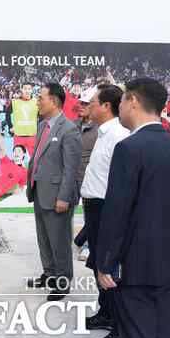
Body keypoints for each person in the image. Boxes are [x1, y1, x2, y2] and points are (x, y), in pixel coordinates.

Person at [95, 77, 170, 338]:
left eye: (123, 99)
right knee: (163, 334)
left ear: (134, 102)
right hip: (166, 260)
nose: (120, 106)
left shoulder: (129, 148)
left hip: (135, 264)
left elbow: (117, 212)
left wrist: (105, 262)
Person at [79, 84, 129, 338]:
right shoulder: (103, 132)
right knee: (99, 263)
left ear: (106, 106)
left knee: (110, 269)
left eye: (93, 102)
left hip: (107, 209)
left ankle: (120, 327)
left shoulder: (119, 135)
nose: (89, 107)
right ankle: (106, 312)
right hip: (95, 208)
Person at [25, 82, 82, 301]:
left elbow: (71, 168)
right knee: (44, 238)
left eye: (41, 98)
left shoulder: (69, 130)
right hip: (40, 191)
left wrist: (64, 197)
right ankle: (49, 274)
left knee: (59, 241)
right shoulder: (43, 125)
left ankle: (62, 281)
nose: (38, 101)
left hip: (57, 196)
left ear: (55, 101)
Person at [72, 87, 100, 262]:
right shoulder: (72, 125)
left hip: (90, 180)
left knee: (91, 215)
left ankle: (89, 245)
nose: (80, 106)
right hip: (71, 178)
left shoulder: (101, 129)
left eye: (85, 103)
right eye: (80, 102)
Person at [6, 82, 39, 155]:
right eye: (25, 89)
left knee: (34, 161)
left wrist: (39, 128)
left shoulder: (37, 102)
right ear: (21, 90)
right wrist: (10, 126)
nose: (27, 91)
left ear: (31, 90)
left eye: (29, 89)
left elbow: (42, 117)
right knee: (18, 160)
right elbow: (7, 114)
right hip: (18, 137)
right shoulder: (15, 101)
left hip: (32, 136)